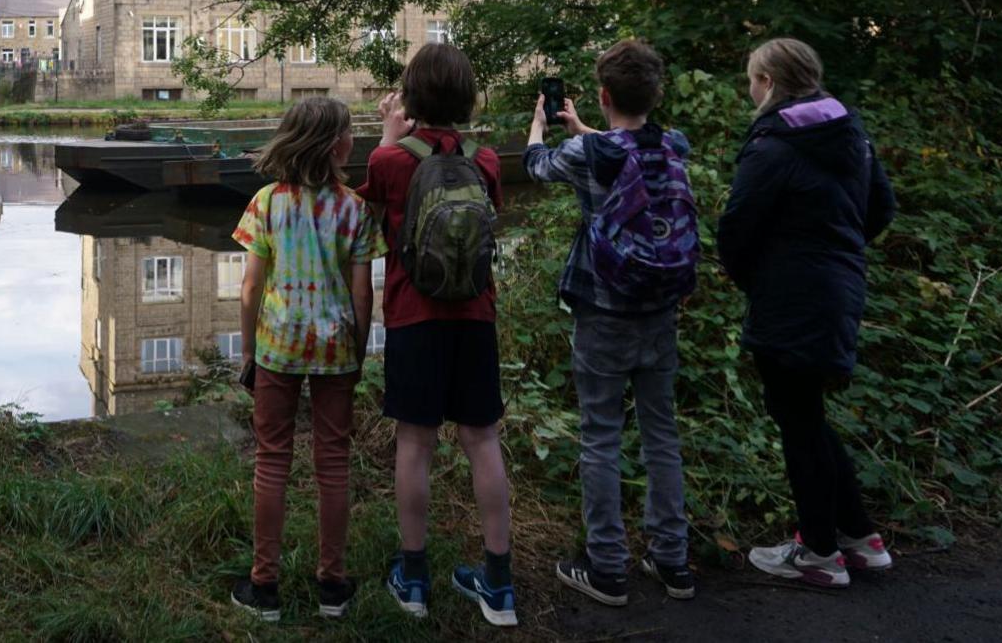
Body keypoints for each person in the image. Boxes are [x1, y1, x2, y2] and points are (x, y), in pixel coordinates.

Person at [525, 39, 700, 607]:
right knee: (661, 433)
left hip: (604, 309)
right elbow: (627, 146)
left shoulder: (589, 154)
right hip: (661, 310)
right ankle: (673, 562)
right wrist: (583, 126)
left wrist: (541, 125)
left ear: (603, 95)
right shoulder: (674, 144)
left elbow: (537, 166)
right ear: (656, 93)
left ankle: (607, 568)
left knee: (600, 435)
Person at [717, 37, 897, 587]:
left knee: (797, 421)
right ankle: (859, 537)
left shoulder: (773, 146)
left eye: (753, 79)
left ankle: (817, 550)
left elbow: (736, 229)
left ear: (768, 83)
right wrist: (837, 252)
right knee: (808, 414)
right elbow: (881, 208)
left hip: (791, 296)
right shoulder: (850, 136)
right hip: (839, 288)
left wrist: (760, 275)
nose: (750, 89)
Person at [359, 43, 518, 628]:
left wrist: (386, 133)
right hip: (476, 318)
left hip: (413, 318)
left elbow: (368, 217)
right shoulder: (488, 159)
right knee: (482, 440)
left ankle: (415, 577)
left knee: (414, 443)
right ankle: (498, 583)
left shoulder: (392, 161)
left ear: (411, 95)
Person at [228, 96, 386, 623]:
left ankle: (264, 586)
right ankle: (332, 586)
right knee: (333, 464)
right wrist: (359, 353)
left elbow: (250, 287)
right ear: (338, 146)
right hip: (336, 347)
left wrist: (248, 350)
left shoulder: (267, 203)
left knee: (271, 461)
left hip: (277, 346)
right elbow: (363, 295)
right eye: (348, 135)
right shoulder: (355, 209)